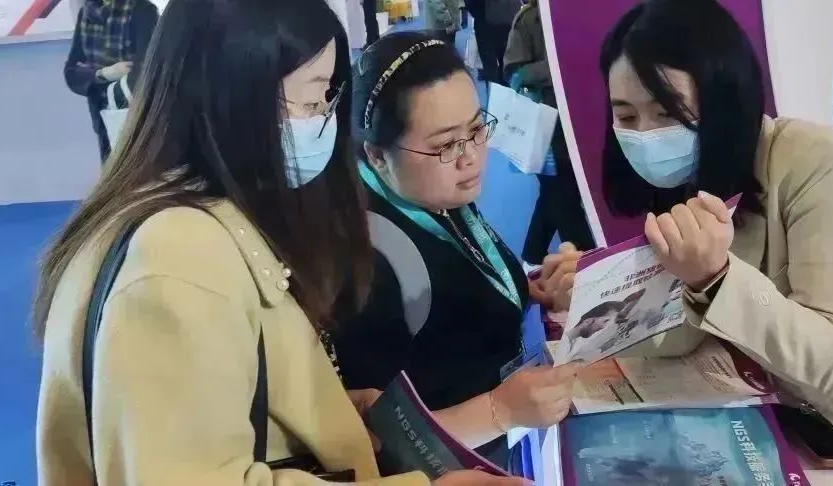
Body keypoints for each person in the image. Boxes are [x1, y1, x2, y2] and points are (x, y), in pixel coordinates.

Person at [34, 0, 524, 484]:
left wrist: (323, 416)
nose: (326, 121)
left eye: (329, 99)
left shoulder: (196, 222)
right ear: (234, 99)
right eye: (311, 103)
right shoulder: (175, 264)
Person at [540, 0, 833, 484]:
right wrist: (599, 286)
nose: (646, 135)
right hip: (815, 435)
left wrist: (715, 277)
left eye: (668, 112)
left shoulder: (821, 168)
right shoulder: (690, 177)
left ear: (723, 98)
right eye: (626, 116)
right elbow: (687, 324)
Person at [337, 31, 579, 469]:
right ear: (377, 155)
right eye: (445, 145)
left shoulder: (433, 193)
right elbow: (375, 437)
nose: (471, 157)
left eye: (476, 128)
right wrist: (499, 411)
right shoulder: (365, 264)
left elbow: (456, 284)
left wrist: (529, 289)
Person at [503, 0, 596, 268]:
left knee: (557, 192)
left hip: (585, 120)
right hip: (547, 127)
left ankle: (532, 256)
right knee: (561, 193)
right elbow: (513, 71)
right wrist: (558, 64)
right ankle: (587, 262)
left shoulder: (585, 12)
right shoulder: (530, 18)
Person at [64, 0, 159, 161]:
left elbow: (148, 71)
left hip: (137, 119)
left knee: (140, 172)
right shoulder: (86, 12)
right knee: (111, 172)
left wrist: (112, 82)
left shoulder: (143, 10)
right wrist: (104, 73)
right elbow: (71, 73)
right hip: (102, 118)